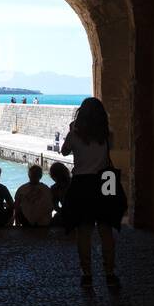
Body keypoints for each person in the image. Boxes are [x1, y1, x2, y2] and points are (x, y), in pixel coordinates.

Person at [61, 97, 127, 288]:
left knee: (84, 231)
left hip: (82, 182)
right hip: (106, 181)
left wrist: (72, 130)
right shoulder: (108, 134)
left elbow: (65, 151)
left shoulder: (75, 134)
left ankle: (86, 272)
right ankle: (110, 271)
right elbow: (108, 153)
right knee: (106, 230)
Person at [48, 160, 72, 225]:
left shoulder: (54, 188)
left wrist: (62, 212)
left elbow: (54, 205)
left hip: (67, 215)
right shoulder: (76, 182)